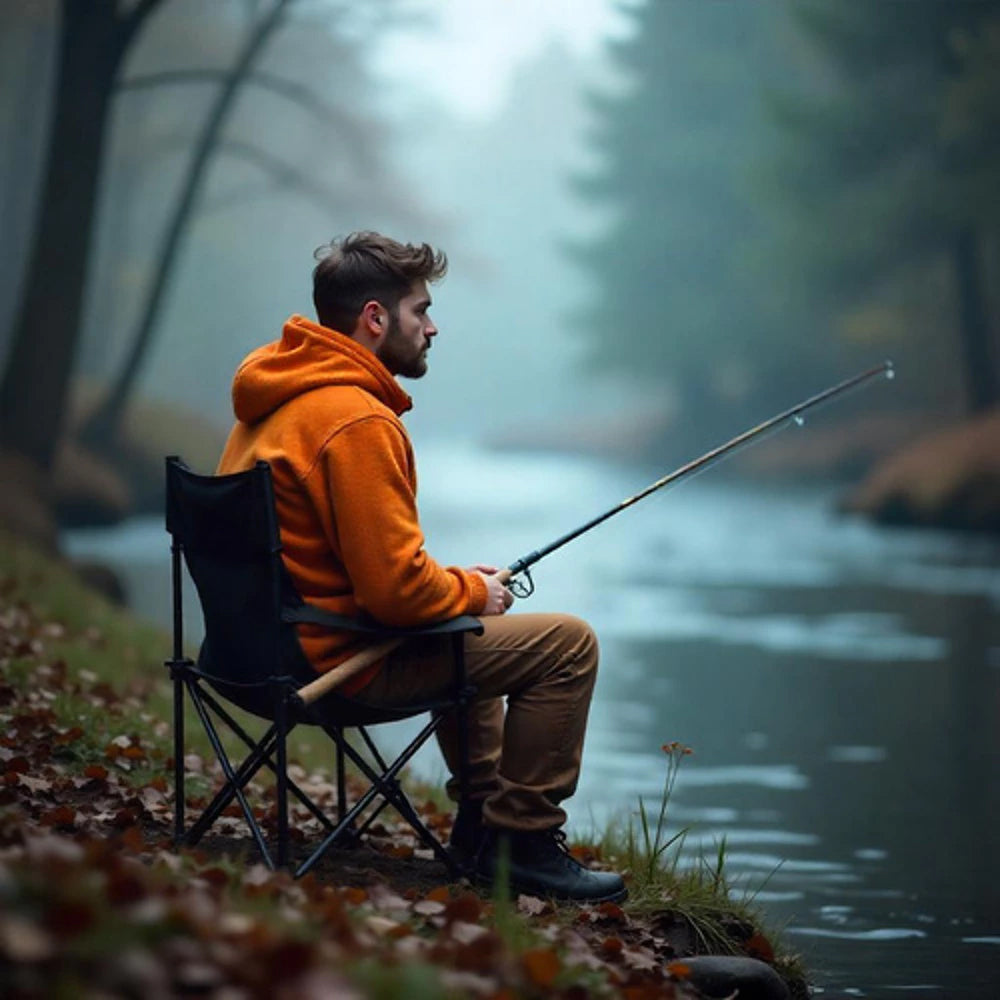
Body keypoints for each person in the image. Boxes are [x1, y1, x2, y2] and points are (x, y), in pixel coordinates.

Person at [217, 231, 625, 904]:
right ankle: (520, 839)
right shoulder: (355, 421)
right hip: (336, 668)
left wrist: (459, 590)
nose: (433, 328)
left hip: (252, 654)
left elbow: (364, 570)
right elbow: (398, 596)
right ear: (375, 319)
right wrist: (472, 591)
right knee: (566, 644)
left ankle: (480, 824)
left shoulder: (276, 404)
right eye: (420, 311)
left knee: (463, 616)